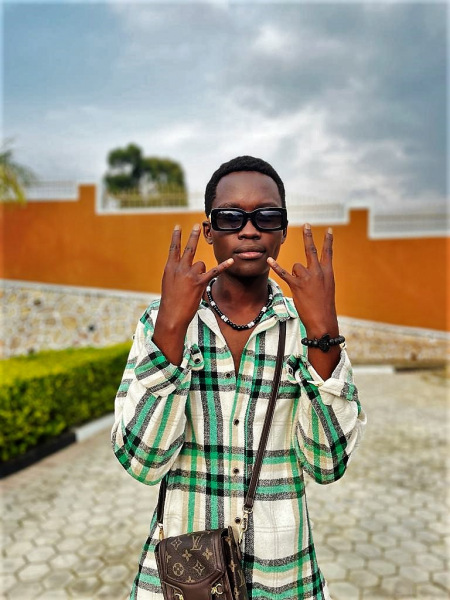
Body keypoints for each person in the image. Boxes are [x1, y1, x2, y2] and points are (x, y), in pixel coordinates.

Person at [112, 155, 367, 600]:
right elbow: (142, 463)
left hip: (283, 578)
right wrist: (171, 328)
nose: (249, 230)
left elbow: (327, 465)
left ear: (282, 230)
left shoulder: (308, 329)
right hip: (185, 578)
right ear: (209, 230)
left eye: (266, 216)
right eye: (231, 217)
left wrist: (323, 332)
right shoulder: (162, 322)